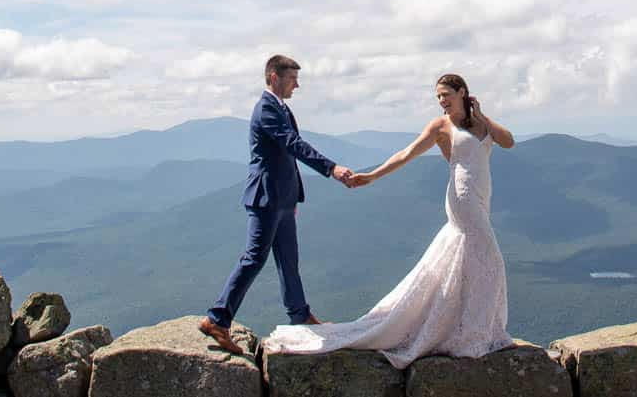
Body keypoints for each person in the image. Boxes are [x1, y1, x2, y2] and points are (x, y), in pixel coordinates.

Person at [262, 73, 516, 368]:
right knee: (490, 260)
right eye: (438, 97)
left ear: (462, 92)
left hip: (482, 198)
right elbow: (406, 154)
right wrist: (372, 176)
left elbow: (507, 142)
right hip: (463, 199)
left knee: (469, 262)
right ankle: (476, 332)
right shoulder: (440, 126)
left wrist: (482, 114)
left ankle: (468, 328)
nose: (442, 101)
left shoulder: (481, 123)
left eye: (446, 94)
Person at [199, 55, 357, 355]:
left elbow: (285, 158)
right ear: (273, 76)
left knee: (288, 260)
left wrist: (292, 197)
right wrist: (332, 168)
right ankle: (217, 319)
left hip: (281, 199)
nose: (297, 84)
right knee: (254, 259)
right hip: (265, 198)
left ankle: (300, 316)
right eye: (291, 78)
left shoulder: (281, 108)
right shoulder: (266, 110)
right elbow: (293, 146)